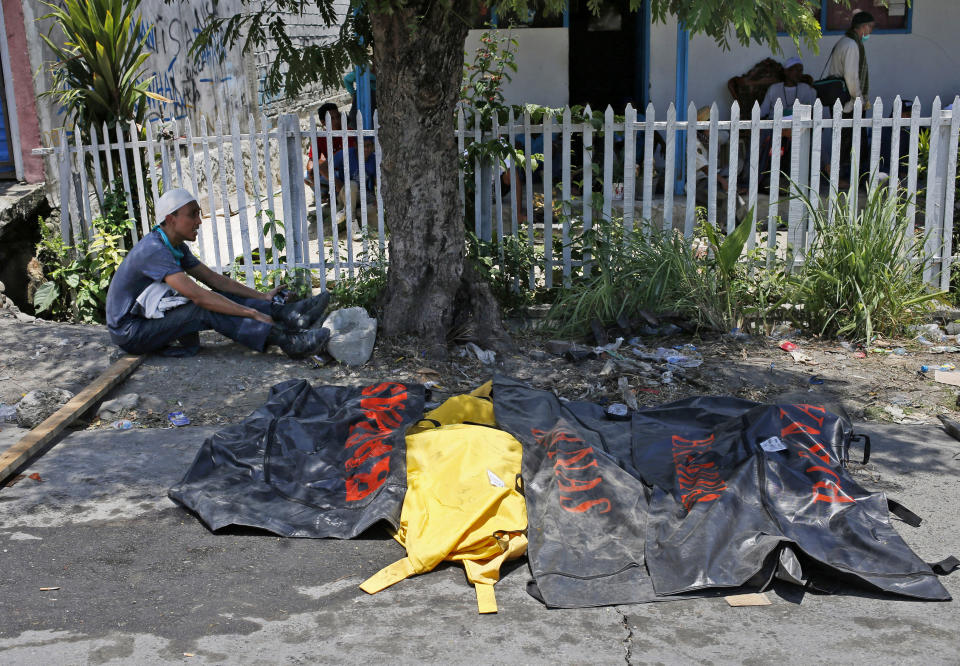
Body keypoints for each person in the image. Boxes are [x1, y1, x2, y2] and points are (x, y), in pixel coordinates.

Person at [106, 188, 331, 359]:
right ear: (170, 219)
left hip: (145, 321)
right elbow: (199, 297)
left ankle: (289, 315)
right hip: (131, 332)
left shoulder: (172, 244)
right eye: (192, 215)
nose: (199, 221)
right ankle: (288, 342)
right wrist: (250, 313)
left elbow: (214, 280)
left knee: (217, 298)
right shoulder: (154, 250)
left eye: (198, 214)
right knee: (203, 309)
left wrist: (260, 297)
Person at [824, 10, 875, 183]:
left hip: (840, 100)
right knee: (848, 142)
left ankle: (845, 176)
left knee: (844, 139)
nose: (871, 32)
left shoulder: (844, 41)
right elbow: (851, 76)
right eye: (871, 27)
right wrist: (858, 98)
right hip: (848, 102)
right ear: (864, 27)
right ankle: (840, 177)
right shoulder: (852, 45)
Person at [304, 103, 355, 202]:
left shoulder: (349, 132)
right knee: (306, 176)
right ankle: (324, 194)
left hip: (346, 172)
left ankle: (336, 193)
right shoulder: (321, 137)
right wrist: (311, 172)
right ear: (323, 122)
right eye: (332, 118)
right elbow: (312, 159)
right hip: (329, 172)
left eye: (338, 117)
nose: (337, 121)